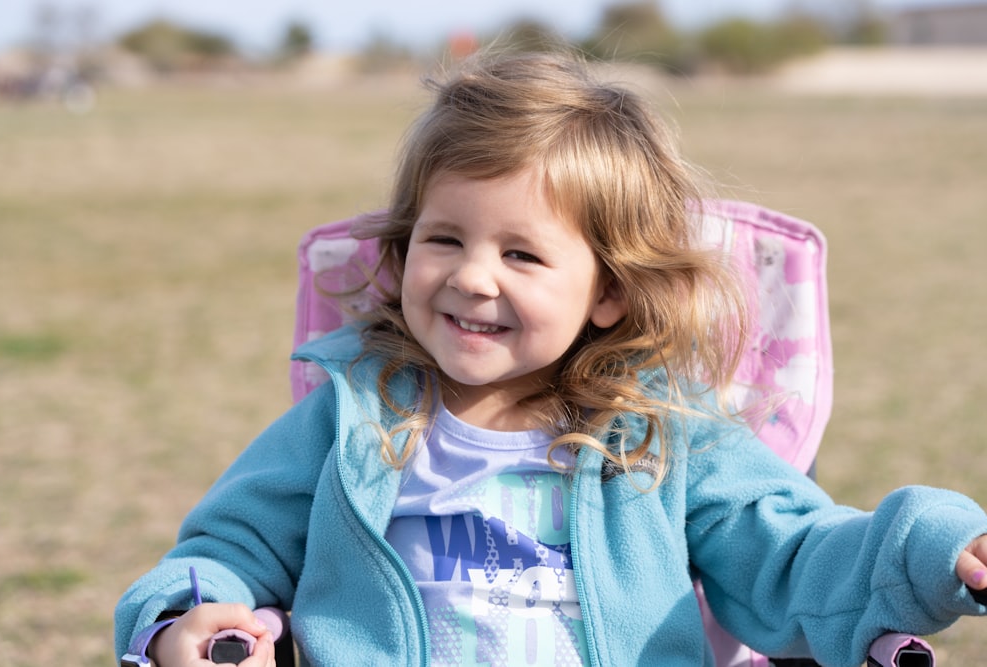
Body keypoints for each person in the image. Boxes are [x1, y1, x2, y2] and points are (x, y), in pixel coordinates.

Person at [115, 51, 987, 667]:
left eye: (523, 255)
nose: (471, 275)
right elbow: (229, 545)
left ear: (608, 291)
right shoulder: (352, 417)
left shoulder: (661, 435)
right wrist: (181, 618)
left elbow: (791, 553)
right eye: (444, 237)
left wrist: (932, 549)